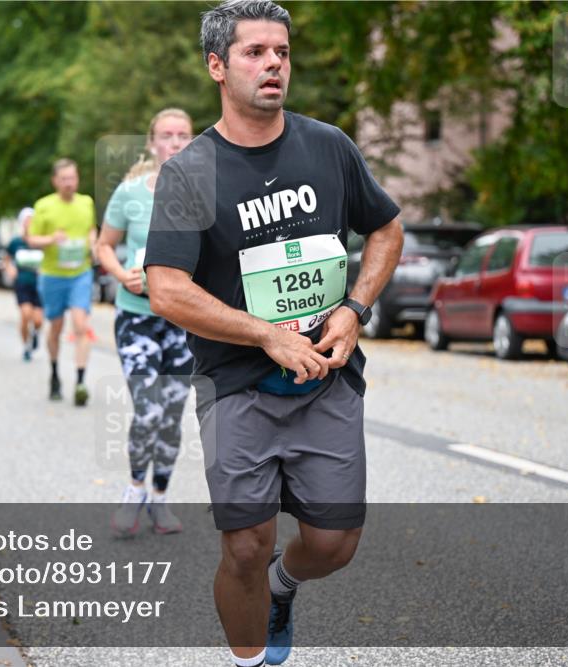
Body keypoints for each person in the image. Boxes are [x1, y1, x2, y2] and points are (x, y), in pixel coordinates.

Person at [143, 2, 404, 666]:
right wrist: (264, 334)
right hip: (236, 384)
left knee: (333, 543)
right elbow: (166, 285)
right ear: (216, 66)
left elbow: (385, 228)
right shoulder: (190, 171)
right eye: (255, 53)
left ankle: (283, 589)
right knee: (246, 545)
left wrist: (354, 307)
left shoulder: (330, 146)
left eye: (281, 52)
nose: (273, 65)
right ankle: (250, 658)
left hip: (327, 376)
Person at [94, 108, 196, 537]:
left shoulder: (205, 194)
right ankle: (134, 488)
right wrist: (122, 275)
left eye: (182, 136)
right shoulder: (130, 192)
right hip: (137, 319)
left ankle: (159, 496)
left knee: (172, 414)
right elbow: (103, 245)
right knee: (148, 409)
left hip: (183, 322)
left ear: (192, 142)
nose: (174, 142)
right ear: (152, 143)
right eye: (166, 136)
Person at [26, 158, 97, 405]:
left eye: (73, 178)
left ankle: (80, 382)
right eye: (64, 179)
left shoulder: (87, 202)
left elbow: (90, 229)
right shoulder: (44, 206)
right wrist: (51, 239)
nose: (69, 183)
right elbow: (32, 239)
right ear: (55, 181)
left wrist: (92, 241)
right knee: (55, 327)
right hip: (52, 275)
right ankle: (55, 374)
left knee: (80, 325)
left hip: (80, 272)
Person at [5, 207, 44, 361]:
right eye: (27, 220)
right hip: (22, 283)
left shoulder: (40, 242)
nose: (30, 223)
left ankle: (35, 334)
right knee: (25, 315)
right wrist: (10, 269)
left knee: (38, 320)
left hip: (39, 284)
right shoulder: (16, 242)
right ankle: (26, 346)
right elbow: (6, 258)